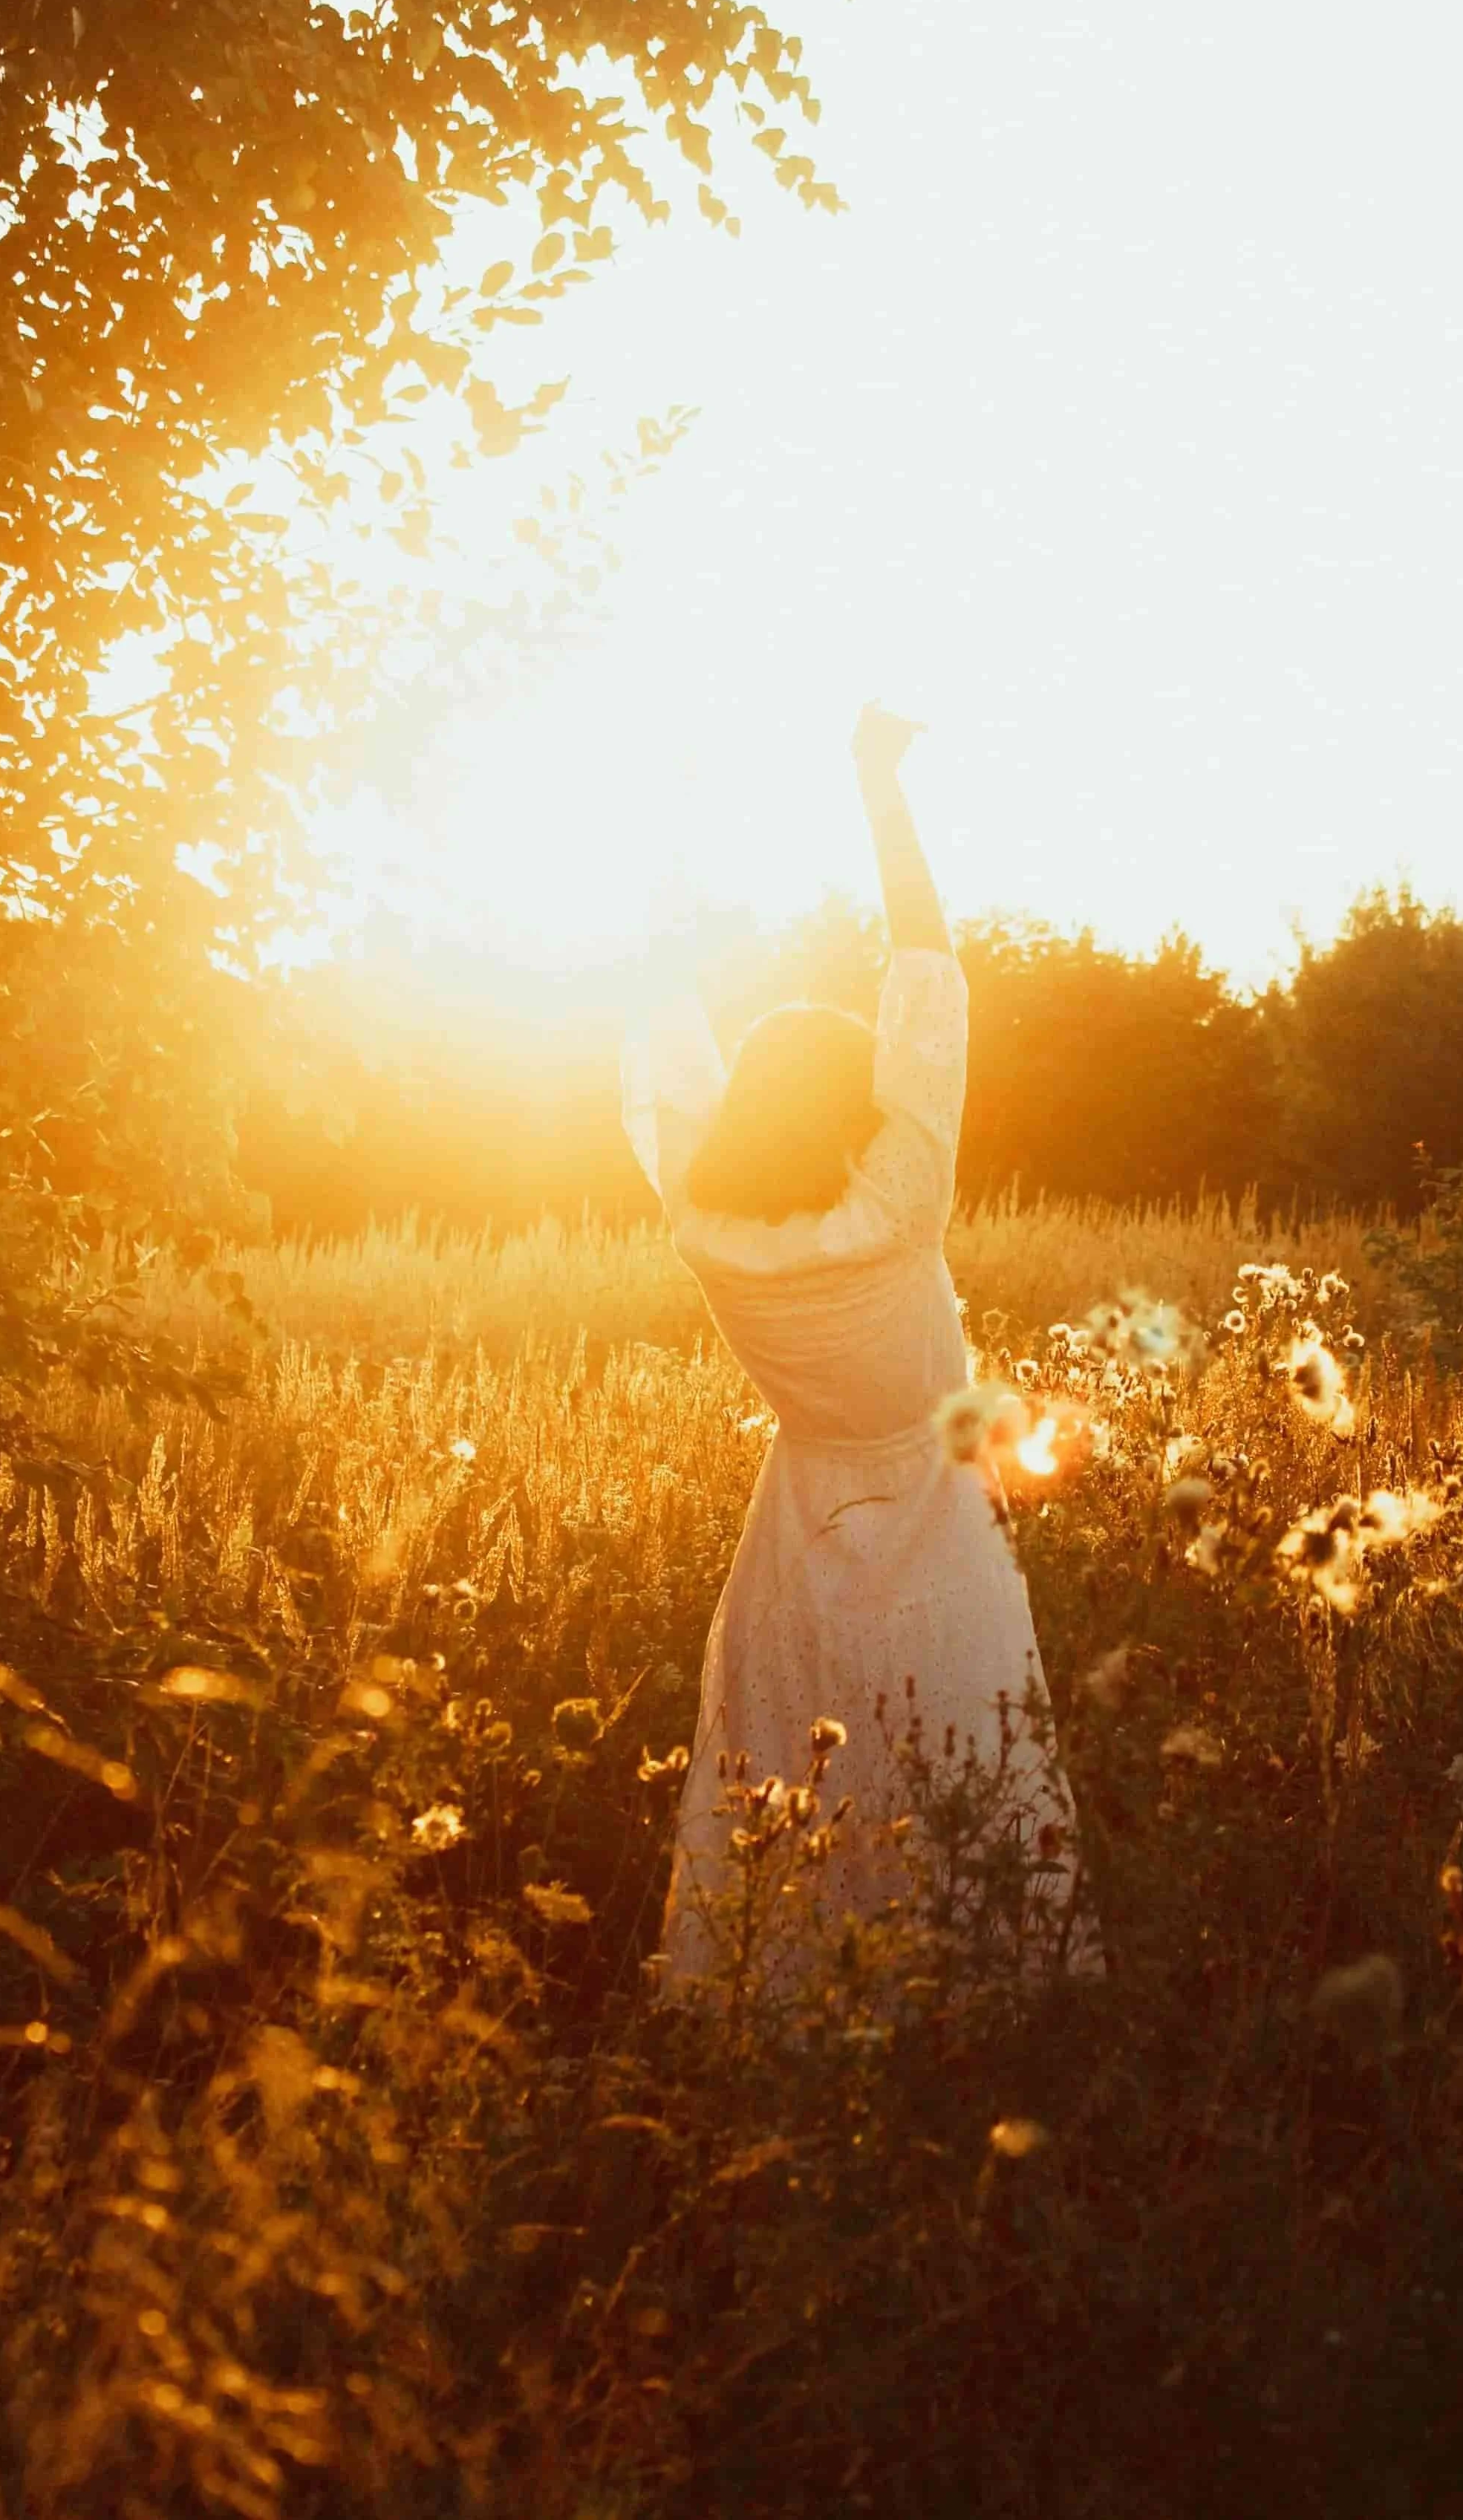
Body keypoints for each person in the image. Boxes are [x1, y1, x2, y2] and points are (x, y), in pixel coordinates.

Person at [621, 704, 1093, 1988]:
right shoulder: (894, 1207)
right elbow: (928, 977)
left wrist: (672, 805)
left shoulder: (705, 1223)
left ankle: (797, 2013)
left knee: (799, 1786)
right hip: (939, 1518)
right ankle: (981, 2015)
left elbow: (663, 1014)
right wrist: (877, 785)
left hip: (799, 1526)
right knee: (965, 1768)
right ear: (853, 1107)